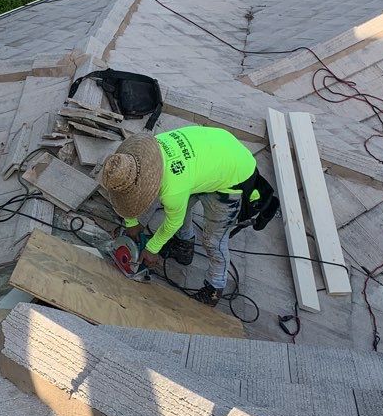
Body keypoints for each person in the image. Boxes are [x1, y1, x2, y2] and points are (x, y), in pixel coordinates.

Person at [100, 127, 278, 307]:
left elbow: (173, 221)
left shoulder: (172, 189)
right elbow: (125, 192)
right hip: (212, 152)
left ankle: (214, 288)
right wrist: (131, 222)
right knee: (180, 206)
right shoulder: (143, 152)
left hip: (234, 174)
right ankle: (184, 247)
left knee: (213, 240)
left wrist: (153, 248)